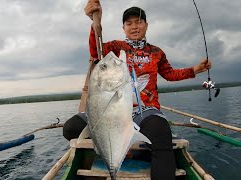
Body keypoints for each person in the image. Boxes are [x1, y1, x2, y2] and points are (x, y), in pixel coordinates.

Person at [63, 0, 212, 179]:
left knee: (160, 130)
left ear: (146, 25)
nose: (134, 27)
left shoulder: (156, 52)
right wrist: (96, 23)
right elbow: (96, 52)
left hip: (144, 110)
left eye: (138, 22)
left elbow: (170, 74)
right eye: (129, 23)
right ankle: (110, 146)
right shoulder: (115, 48)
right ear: (123, 27)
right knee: (71, 128)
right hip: (109, 110)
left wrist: (195, 70)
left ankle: (130, 147)